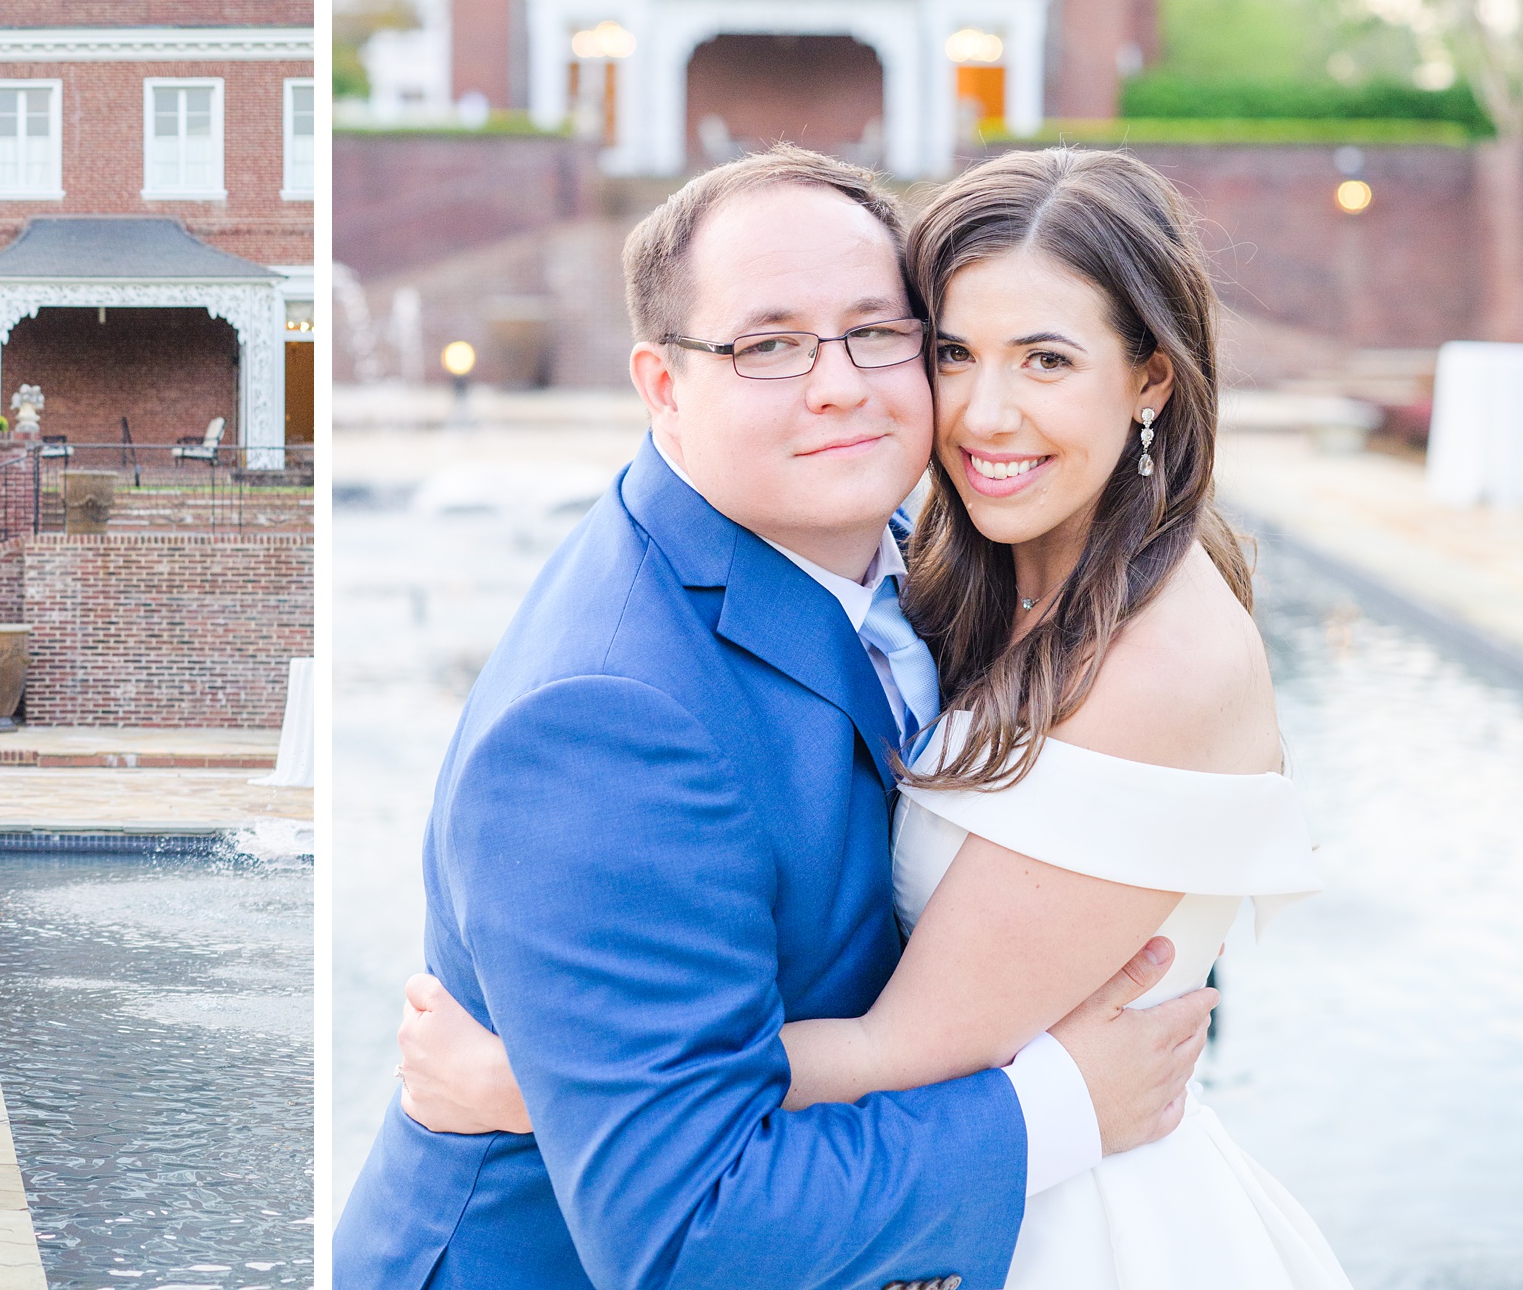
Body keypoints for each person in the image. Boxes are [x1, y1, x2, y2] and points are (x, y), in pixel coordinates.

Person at [373, 148, 1352, 1287]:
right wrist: (1057, 1106)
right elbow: (688, 1227)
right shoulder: (609, 712)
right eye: (769, 343)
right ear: (662, 383)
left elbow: (906, 1034)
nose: (840, 384)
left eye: (878, 333)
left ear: (1150, 379)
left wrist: (545, 1079)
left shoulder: (1068, 619)